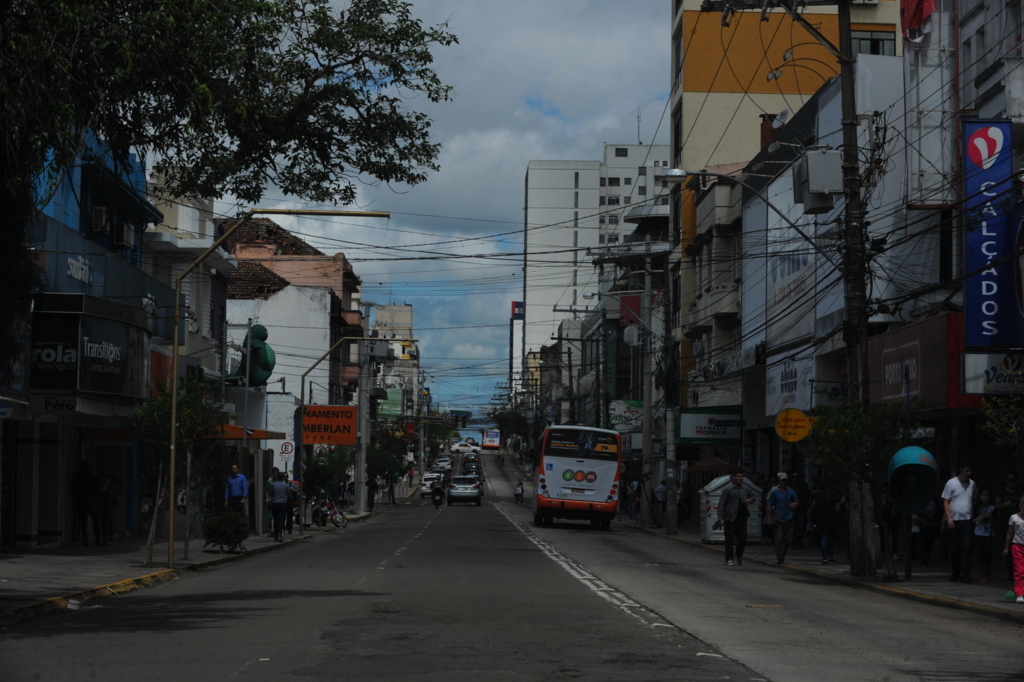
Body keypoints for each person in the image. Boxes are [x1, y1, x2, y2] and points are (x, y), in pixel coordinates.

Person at [942, 463, 978, 583]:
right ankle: (955, 572)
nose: (968, 473)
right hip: (954, 520)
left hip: (967, 519)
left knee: (967, 547)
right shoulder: (951, 483)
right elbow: (946, 501)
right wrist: (949, 518)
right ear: (961, 470)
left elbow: (975, 498)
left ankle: (965, 573)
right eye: (966, 471)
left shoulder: (972, 484)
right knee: (955, 547)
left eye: (970, 471)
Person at [717, 471, 755, 566]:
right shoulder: (728, 489)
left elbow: (753, 497)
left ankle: (739, 554)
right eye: (738, 476)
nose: (740, 478)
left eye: (742, 476)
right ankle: (729, 558)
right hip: (730, 517)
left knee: (743, 538)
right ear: (734, 477)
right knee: (729, 538)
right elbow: (722, 504)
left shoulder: (745, 488)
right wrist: (720, 518)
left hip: (742, 517)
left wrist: (750, 500)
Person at [766, 472, 800, 565]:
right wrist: (769, 518)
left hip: (789, 518)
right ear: (779, 482)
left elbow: (797, 501)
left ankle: (783, 552)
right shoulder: (774, 493)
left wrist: (795, 504)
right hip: (778, 518)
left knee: (789, 538)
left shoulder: (791, 492)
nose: (784, 482)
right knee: (779, 538)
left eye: (785, 481)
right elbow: (769, 505)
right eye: (782, 481)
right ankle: (780, 556)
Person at [996, 473, 1021, 580]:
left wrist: (1018, 504)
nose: (1011, 482)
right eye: (1009, 480)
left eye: (1013, 480)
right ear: (1006, 481)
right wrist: (1005, 505)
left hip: (1019, 522)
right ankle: (1011, 572)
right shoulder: (1001, 492)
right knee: (1009, 546)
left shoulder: (1020, 491)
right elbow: (996, 507)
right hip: (1006, 521)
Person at [809, 483, 841, 565]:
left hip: (822, 518)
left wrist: (810, 512)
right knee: (831, 538)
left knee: (823, 537)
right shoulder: (835, 496)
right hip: (832, 518)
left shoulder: (819, 495)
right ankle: (830, 556)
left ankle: (824, 558)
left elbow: (813, 506)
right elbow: (838, 509)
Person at [1000, 496, 1024, 603]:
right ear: (1020, 505)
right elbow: (1010, 534)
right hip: (1017, 546)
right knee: (1019, 570)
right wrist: (1006, 548)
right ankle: (1019, 593)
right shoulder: (1014, 518)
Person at [72, 461, 100, 547]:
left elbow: (74, 487)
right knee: (95, 521)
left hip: (82, 500)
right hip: (91, 500)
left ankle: (85, 540)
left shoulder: (78, 476)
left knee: (83, 521)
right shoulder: (92, 476)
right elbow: (97, 488)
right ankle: (97, 540)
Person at [96, 463, 123, 546]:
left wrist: (113, 491)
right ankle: (105, 538)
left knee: (109, 518)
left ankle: (110, 538)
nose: (104, 467)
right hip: (101, 498)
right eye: (102, 466)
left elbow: (121, 484)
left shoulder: (111, 476)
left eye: (105, 466)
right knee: (103, 519)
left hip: (109, 499)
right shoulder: (99, 476)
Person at [973, 490, 995, 583]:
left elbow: (995, 520)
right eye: (983, 495)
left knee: (988, 553)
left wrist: (989, 517)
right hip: (979, 532)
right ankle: (983, 574)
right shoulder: (976, 507)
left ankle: (987, 570)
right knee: (981, 553)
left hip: (988, 533)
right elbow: (972, 520)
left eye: (987, 495)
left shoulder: (992, 508)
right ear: (980, 497)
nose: (985, 497)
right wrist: (978, 519)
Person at [268, 472, 293, 542]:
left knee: (275, 519)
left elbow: (270, 493)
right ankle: (279, 534)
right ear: (282, 478)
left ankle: (276, 534)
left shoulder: (273, 485)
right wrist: (289, 501)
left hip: (275, 503)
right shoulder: (285, 485)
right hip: (283, 504)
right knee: (281, 520)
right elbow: (290, 495)